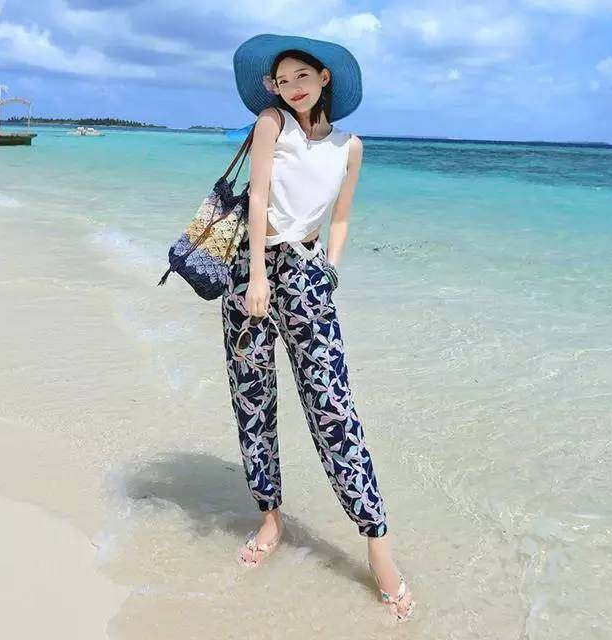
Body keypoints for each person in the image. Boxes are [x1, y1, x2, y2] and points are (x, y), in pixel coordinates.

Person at [223, 33, 415, 622]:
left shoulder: (349, 147)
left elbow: (342, 214)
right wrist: (258, 276)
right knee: (253, 398)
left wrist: (329, 268)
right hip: (252, 270)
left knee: (334, 407)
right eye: (282, 81)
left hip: (308, 275)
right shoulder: (271, 123)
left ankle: (377, 543)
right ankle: (270, 518)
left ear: (325, 78)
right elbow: (258, 198)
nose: (293, 88)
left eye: (302, 77)